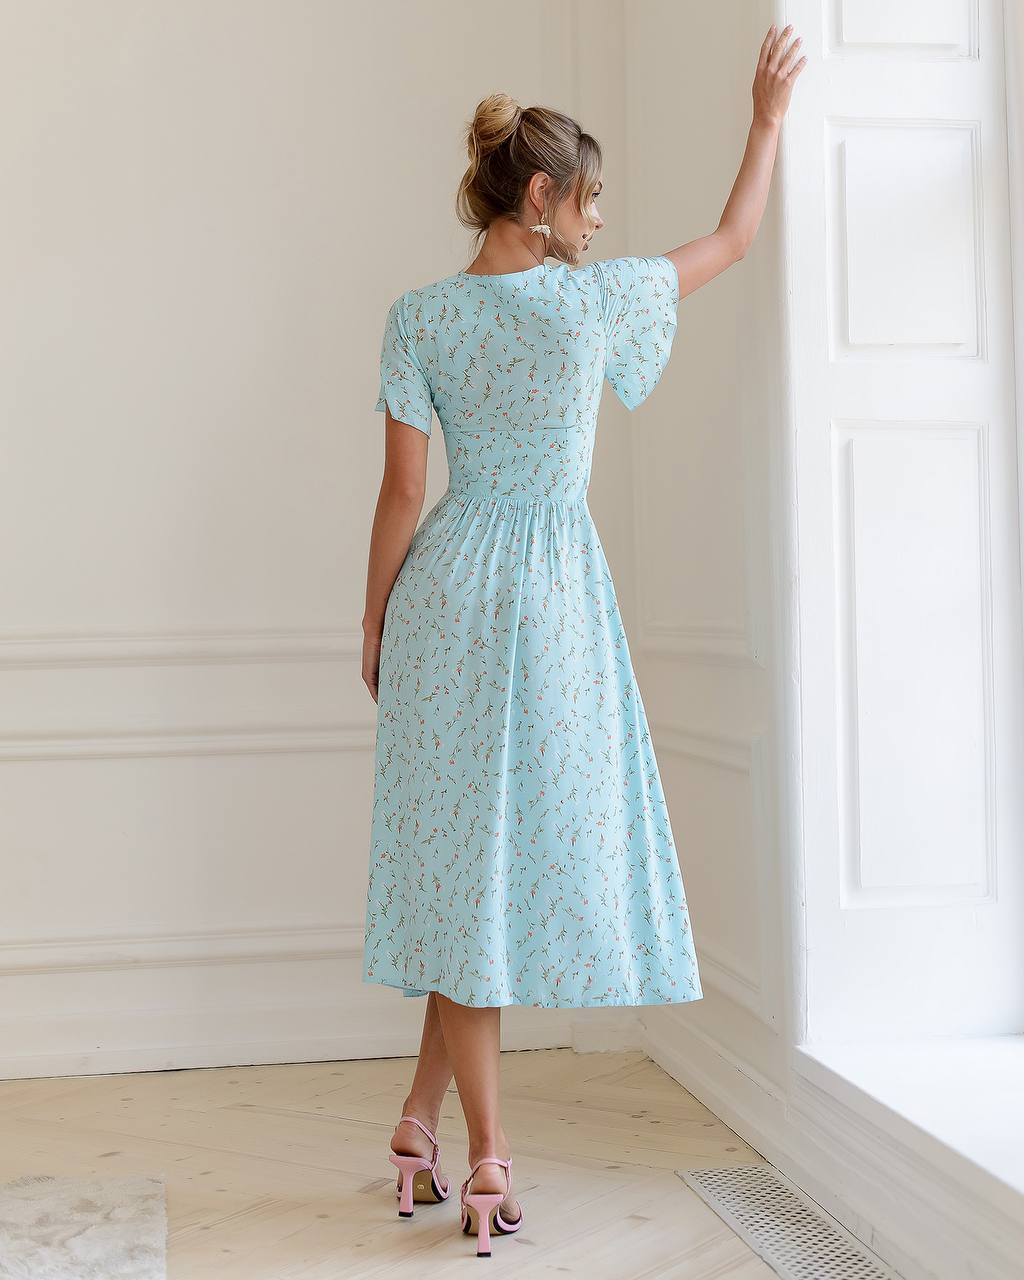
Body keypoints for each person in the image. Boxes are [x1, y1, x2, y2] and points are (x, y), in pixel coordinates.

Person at [360, 24, 804, 1257]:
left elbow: (404, 492)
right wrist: (765, 122)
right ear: (542, 197)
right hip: (553, 596)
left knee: (470, 867)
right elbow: (733, 239)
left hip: (446, 594)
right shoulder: (592, 303)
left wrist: (374, 617)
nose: (601, 222)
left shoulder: (419, 316)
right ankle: (490, 1154)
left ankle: (418, 1121)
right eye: (591, 200)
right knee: (486, 872)